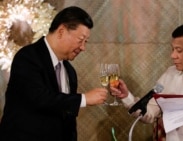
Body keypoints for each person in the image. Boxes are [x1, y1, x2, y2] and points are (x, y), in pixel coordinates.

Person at [0, 6, 108, 141]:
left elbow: (67, 119)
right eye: (80, 40)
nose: (83, 48)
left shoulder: (70, 71)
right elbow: (39, 98)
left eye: (85, 42)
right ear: (61, 31)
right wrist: (84, 99)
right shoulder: (27, 57)